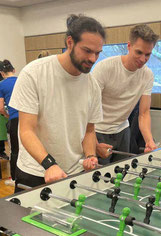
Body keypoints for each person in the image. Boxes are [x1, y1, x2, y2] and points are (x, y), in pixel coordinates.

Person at [9, 14, 105, 192]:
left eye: (97, 53)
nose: (93, 58)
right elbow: (26, 130)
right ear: (70, 42)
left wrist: (90, 155)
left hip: (74, 172)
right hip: (36, 171)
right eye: (87, 50)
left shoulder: (92, 85)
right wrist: (49, 164)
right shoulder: (34, 73)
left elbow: (89, 130)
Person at [91, 24, 159, 165]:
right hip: (98, 131)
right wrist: (95, 143)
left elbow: (144, 113)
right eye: (139, 52)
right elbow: (86, 109)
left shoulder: (147, 75)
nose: (143, 59)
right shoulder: (105, 68)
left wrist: (149, 141)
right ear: (129, 46)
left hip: (122, 130)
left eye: (148, 54)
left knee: (122, 174)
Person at [0, 60, 19, 182]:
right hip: (29, 118)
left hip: (15, 119)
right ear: (14, 70)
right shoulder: (22, 79)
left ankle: (15, 178)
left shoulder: (0, 85)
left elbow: (0, 108)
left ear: (1, 73)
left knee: (15, 150)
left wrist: (7, 115)